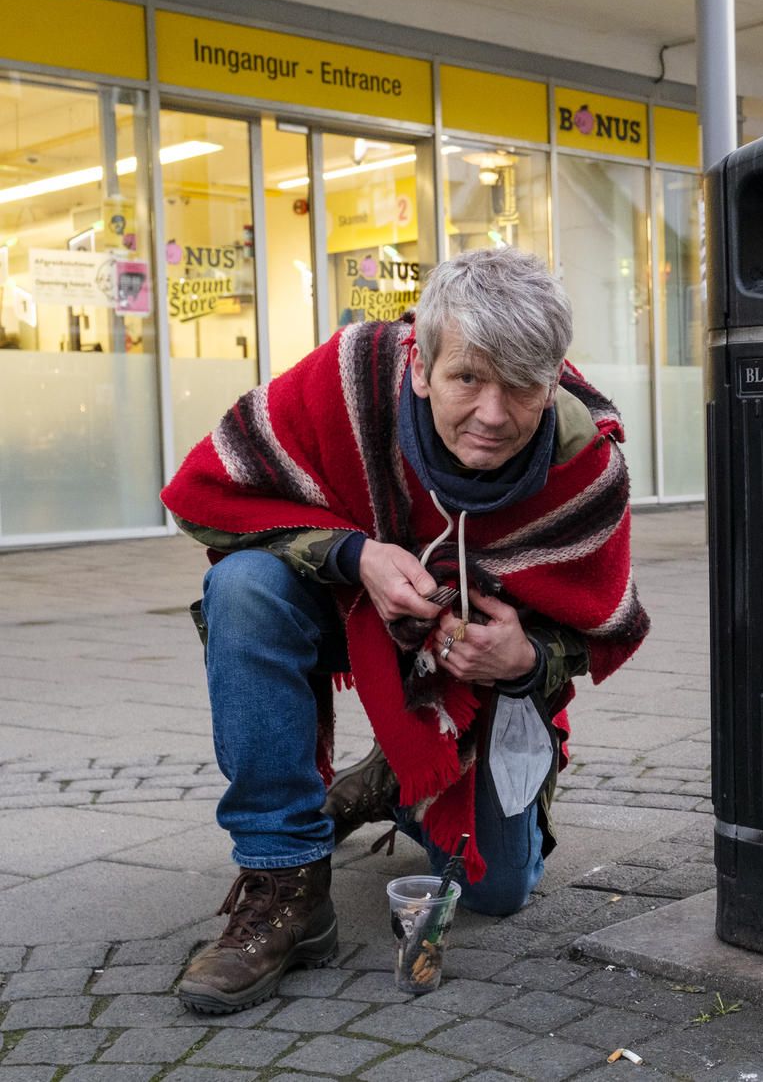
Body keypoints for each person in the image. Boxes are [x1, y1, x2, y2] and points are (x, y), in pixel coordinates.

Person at [160, 247, 649, 1014]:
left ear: (552, 380)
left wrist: (527, 658)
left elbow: (605, 625)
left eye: (521, 385)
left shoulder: (586, 466)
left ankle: (400, 777)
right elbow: (204, 495)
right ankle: (286, 879)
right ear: (422, 365)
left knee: (498, 890)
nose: (492, 414)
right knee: (244, 587)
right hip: (349, 614)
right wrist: (355, 554)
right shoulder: (354, 375)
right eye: (467, 379)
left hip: (480, 683)